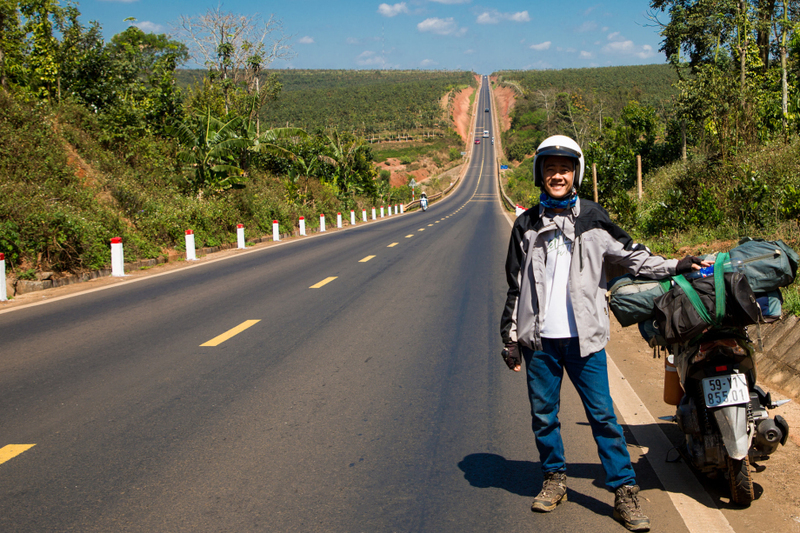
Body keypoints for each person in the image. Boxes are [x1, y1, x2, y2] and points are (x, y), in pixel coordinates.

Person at [499, 135, 708, 532]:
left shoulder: (593, 218)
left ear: (575, 172)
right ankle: (554, 479)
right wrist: (509, 338)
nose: (556, 175)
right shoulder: (525, 225)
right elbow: (515, 286)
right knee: (544, 416)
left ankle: (624, 491)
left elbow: (635, 258)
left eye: (563, 168)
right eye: (549, 168)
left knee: (603, 416)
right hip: (539, 342)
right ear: (539, 173)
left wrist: (677, 266)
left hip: (584, 340)